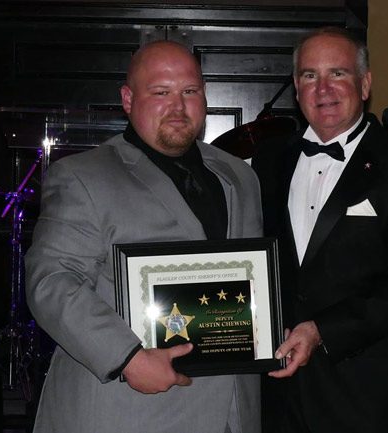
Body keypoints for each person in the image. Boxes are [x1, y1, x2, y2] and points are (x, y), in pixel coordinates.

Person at [25, 40, 262, 433]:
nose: (178, 106)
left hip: (231, 413)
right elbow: (51, 281)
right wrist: (128, 358)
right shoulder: (84, 176)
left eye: (190, 91)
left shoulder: (241, 176)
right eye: (161, 92)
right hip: (128, 411)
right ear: (128, 98)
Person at [252, 27, 388, 433]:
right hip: (277, 398)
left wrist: (323, 330)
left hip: (368, 400)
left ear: (365, 83)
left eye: (337, 73)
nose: (323, 88)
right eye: (310, 75)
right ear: (296, 86)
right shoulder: (268, 162)